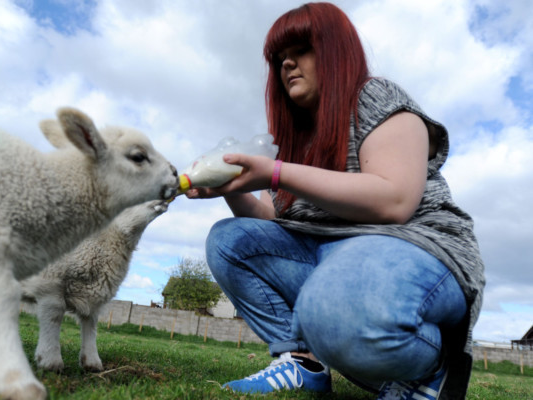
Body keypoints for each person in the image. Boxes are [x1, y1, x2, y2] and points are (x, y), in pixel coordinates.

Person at [185, 2, 485, 400]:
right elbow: (270, 219)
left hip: (414, 252)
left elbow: (394, 201)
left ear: (334, 51)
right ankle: (302, 361)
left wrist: (275, 172)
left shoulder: (376, 98)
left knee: (329, 303)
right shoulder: (288, 141)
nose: (287, 64)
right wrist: (235, 187)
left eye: (301, 50)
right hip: (328, 258)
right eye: (280, 59)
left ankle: (432, 368)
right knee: (230, 239)